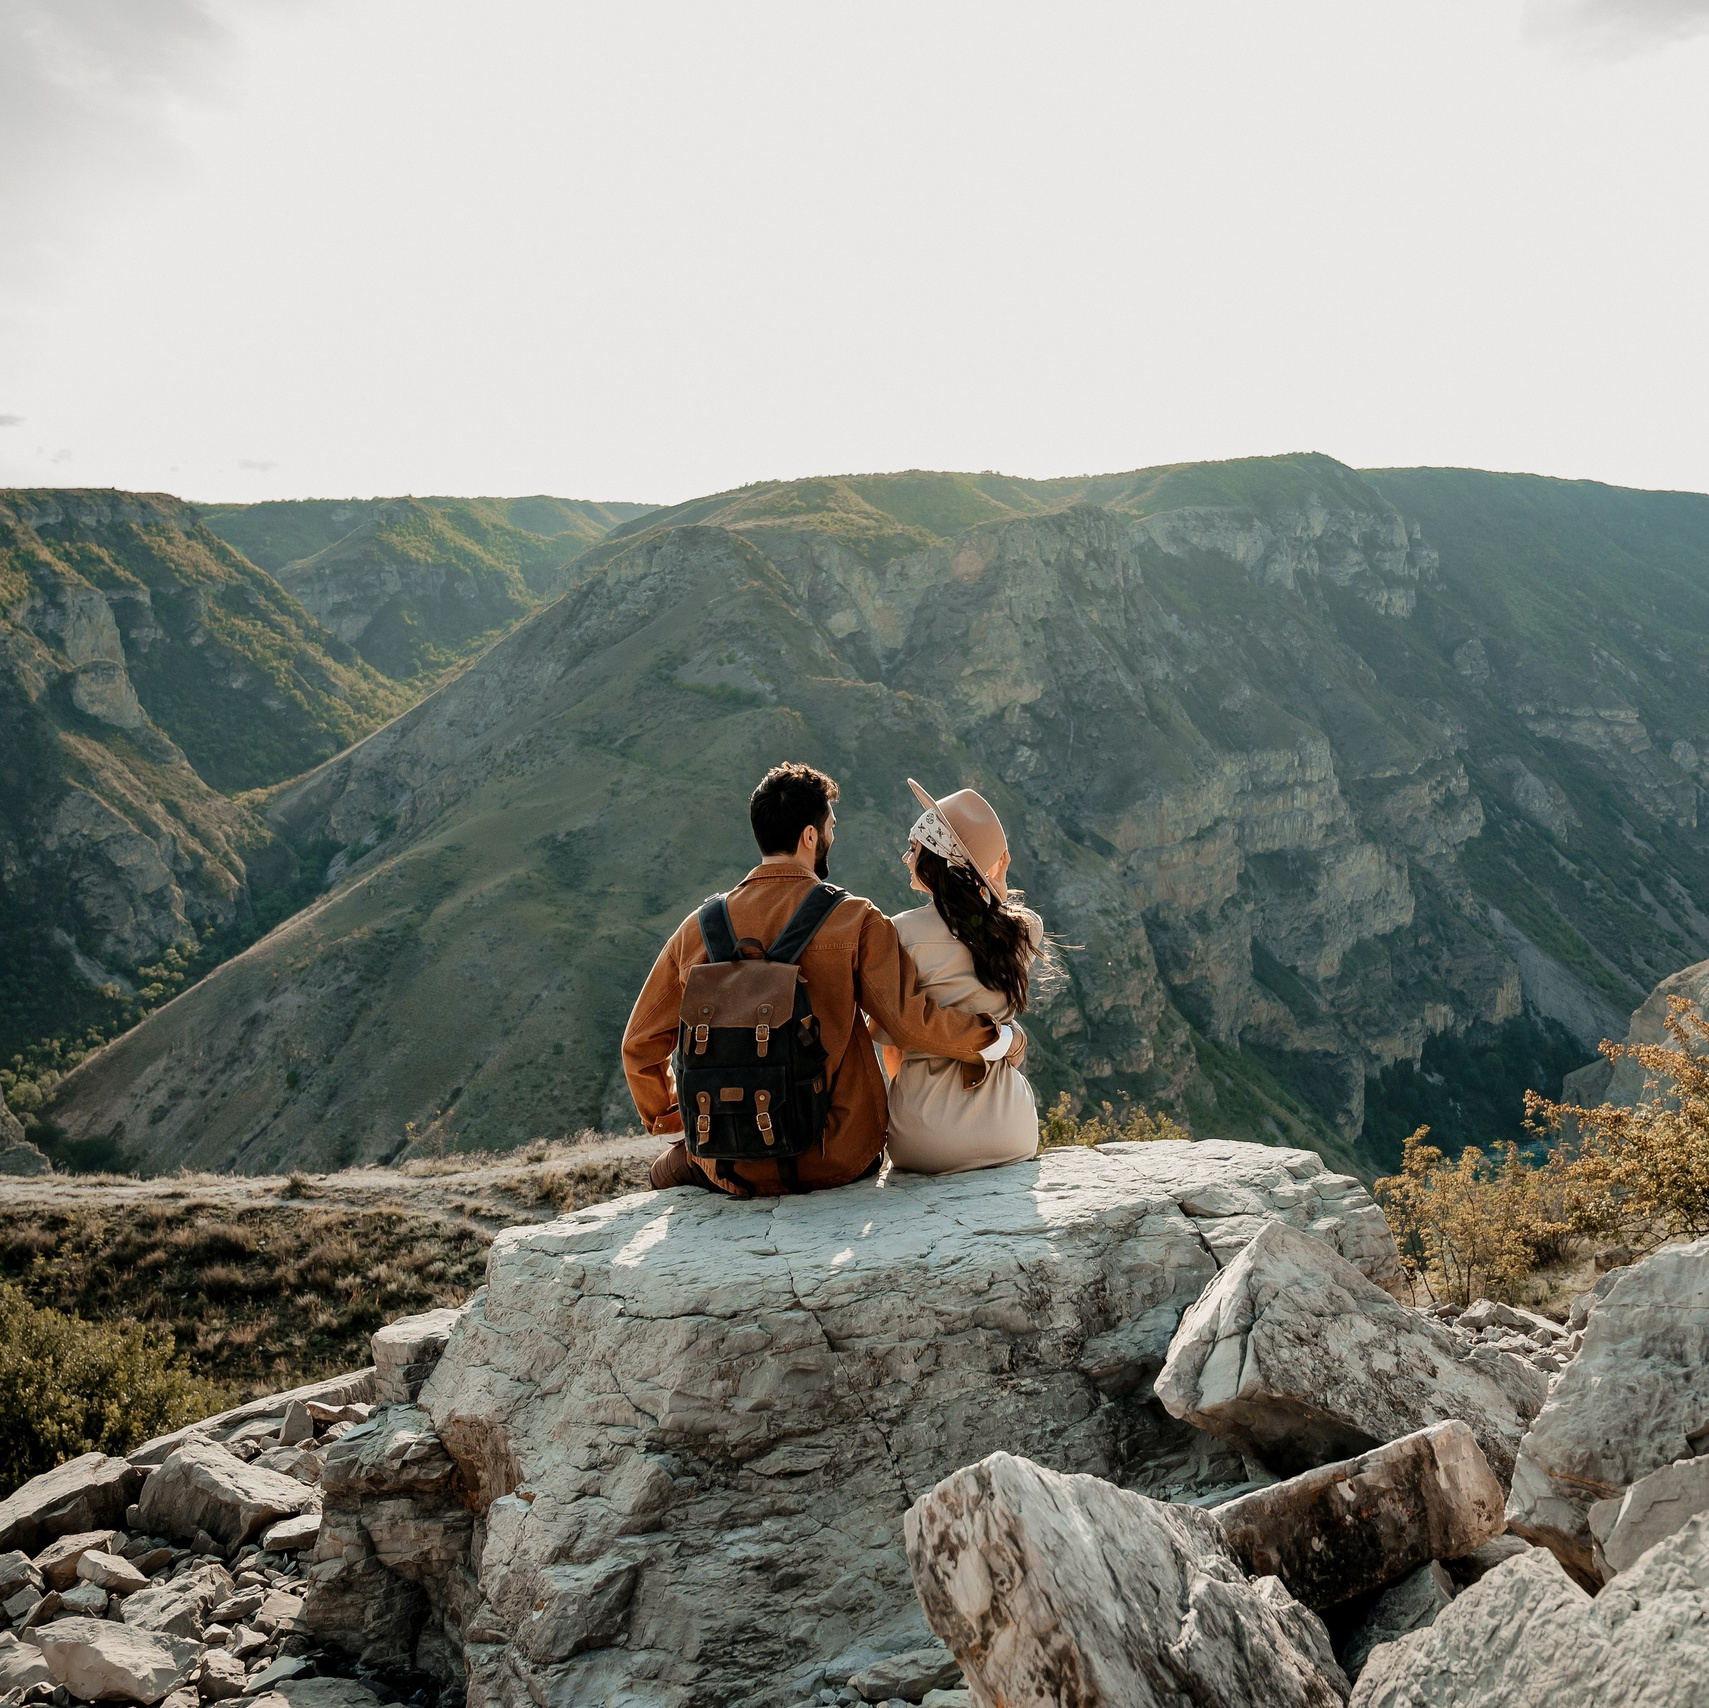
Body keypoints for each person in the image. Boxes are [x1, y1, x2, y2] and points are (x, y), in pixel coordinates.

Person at [623, 761, 1025, 1195]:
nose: (833, 835)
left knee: (664, 1173)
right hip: (836, 1155)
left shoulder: (698, 928)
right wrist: (995, 1038)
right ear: (810, 837)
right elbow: (910, 1022)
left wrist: (675, 1118)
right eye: (831, 826)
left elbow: (639, 1044)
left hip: (729, 1160)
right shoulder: (855, 919)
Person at [875, 778, 1050, 1175]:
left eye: (914, 849)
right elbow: (995, 918)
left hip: (926, 1138)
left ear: (935, 861)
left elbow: (895, 1046)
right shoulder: (1023, 931)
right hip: (1011, 1131)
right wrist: (993, 889)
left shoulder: (898, 933)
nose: (905, 857)